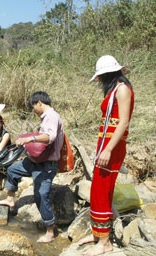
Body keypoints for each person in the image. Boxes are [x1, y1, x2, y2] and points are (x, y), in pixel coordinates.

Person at [78, 55, 134, 256]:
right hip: (107, 145)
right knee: (99, 190)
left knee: (102, 190)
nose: (99, 81)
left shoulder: (122, 89)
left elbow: (123, 122)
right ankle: (97, 234)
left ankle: (104, 243)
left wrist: (108, 149)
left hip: (113, 147)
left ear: (108, 74)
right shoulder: (115, 89)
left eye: (101, 77)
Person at [0, 91, 64, 243]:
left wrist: (30, 139)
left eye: (34, 106)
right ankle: (11, 199)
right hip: (36, 161)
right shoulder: (45, 117)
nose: (34, 110)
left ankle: (50, 231)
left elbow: (49, 137)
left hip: (47, 165)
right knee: (13, 170)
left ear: (39, 102)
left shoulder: (52, 116)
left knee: (41, 195)